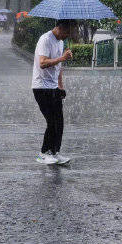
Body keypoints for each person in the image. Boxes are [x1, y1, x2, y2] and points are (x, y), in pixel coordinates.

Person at [32, 19, 76, 165]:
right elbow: (43, 63)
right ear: (60, 27)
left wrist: (61, 86)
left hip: (53, 87)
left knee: (60, 122)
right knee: (51, 122)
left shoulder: (61, 42)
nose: (68, 35)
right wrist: (62, 57)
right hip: (41, 87)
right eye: (67, 32)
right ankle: (43, 153)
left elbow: (59, 68)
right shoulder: (45, 40)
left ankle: (55, 152)